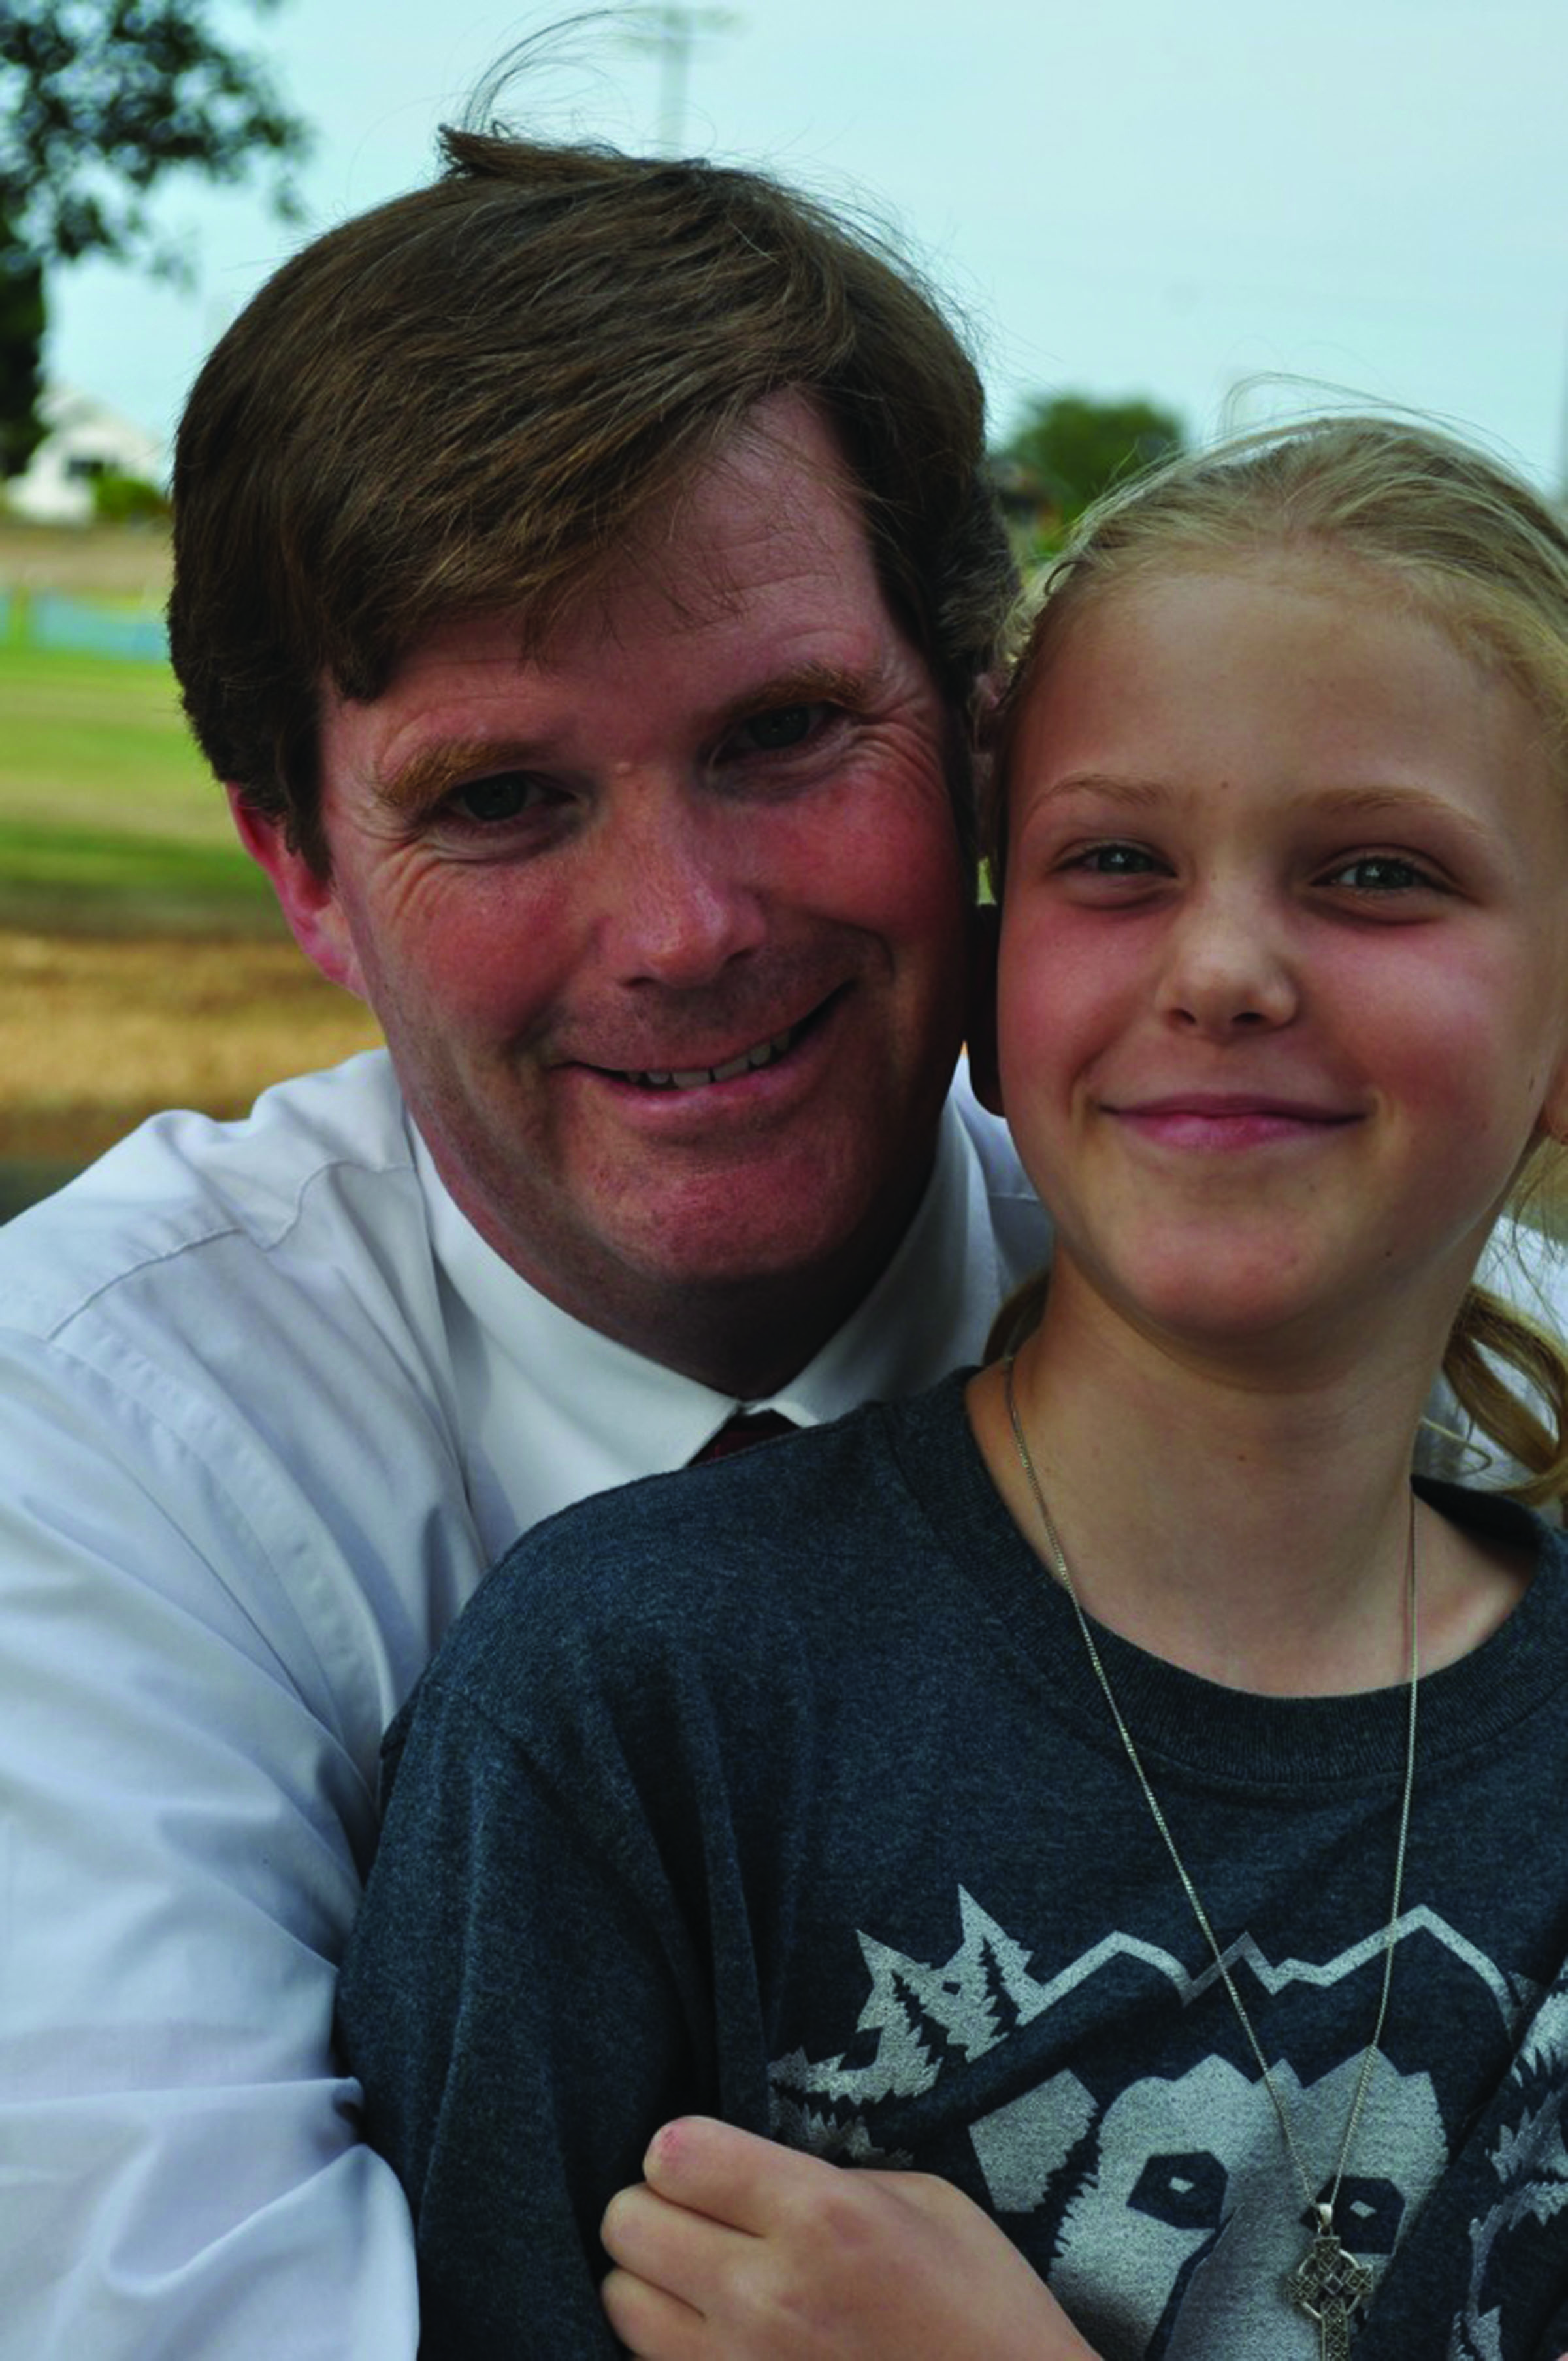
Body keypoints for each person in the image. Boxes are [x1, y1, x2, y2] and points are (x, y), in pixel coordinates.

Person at [336, 414, 1568, 2360]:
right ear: (993, 984)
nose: (1229, 963)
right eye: (1116, 861)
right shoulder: (638, 1695)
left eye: (1376, 872)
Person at [0, 120, 1048, 2358]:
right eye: (500, 799)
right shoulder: (97, 1441)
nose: (683, 929)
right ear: (301, 871)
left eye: (784, 734)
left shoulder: (1434, 1373)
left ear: (976, 737)